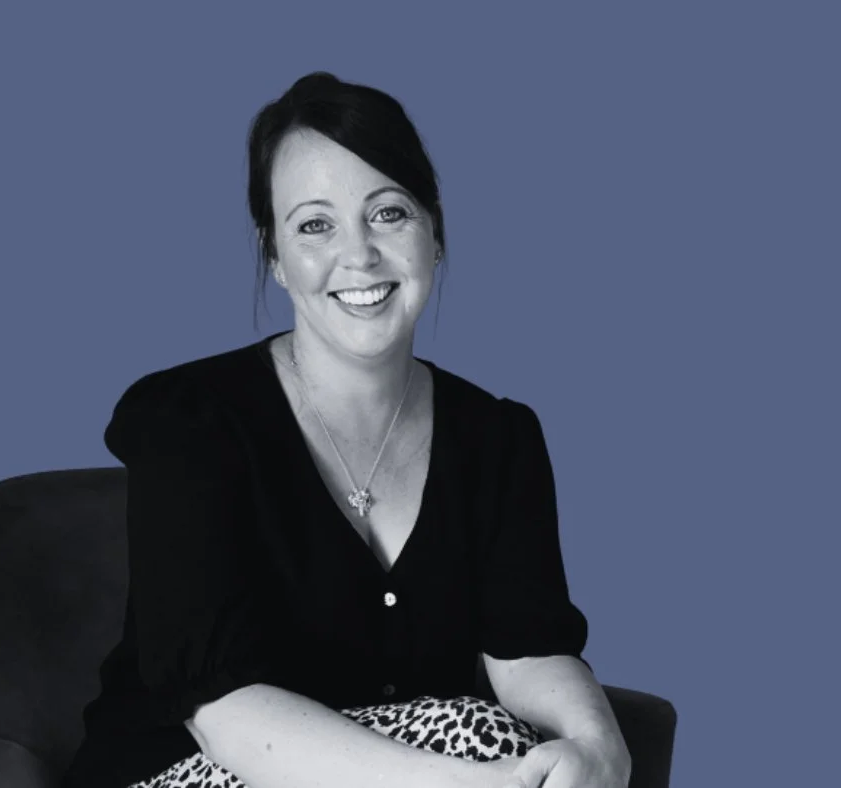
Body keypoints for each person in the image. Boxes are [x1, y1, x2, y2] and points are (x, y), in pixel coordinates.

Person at [62, 72, 632, 788]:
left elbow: (528, 650)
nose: (358, 255)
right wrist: (461, 785)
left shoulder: (497, 439)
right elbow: (220, 710)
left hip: (441, 770)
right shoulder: (190, 421)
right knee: (486, 736)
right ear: (275, 256)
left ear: (435, 231)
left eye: (388, 213)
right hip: (190, 771)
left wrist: (599, 745)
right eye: (315, 225)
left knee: (522, 747)